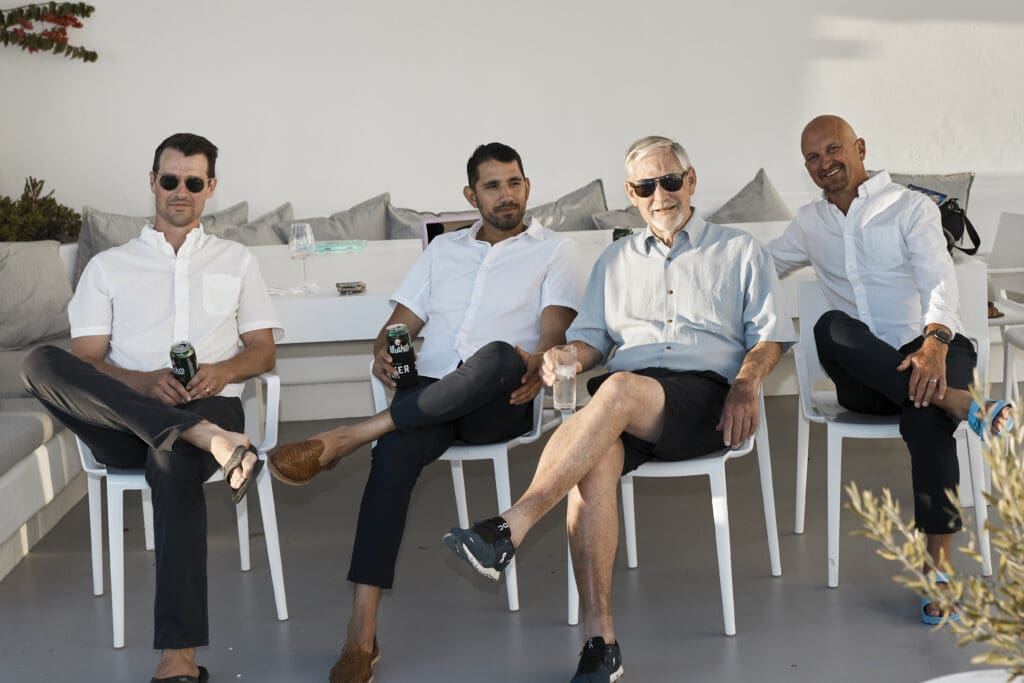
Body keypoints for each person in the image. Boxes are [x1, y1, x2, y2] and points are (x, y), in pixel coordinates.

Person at [444, 135, 797, 683]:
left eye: (670, 181)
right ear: (632, 194)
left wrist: (748, 382)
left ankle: (509, 527)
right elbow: (590, 344)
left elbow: (771, 338)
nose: (661, 195)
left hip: (706, 396)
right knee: (596, 462)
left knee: (613, 391)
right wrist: (566, 354)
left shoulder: (739, 250)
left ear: (691, 181)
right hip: (630, 400)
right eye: (646, 186)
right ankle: (600, 642)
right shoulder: (614, 260)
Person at [268, 142, 582, 683]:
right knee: (391, 459)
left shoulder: (555, 250)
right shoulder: (443, 252)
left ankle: (348, 436)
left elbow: (552, 337)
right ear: (470, 195)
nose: (506, 195)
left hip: (502, 396)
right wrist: (383, 353)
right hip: (429, 393)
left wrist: (535, 364)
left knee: (501, 353)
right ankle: (360, 636)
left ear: (527, 186)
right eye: (492, 185)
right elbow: (398, 326)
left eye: (514, 182)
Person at [20, 133, 280, 682]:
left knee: (170, 461)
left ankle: (177, 659)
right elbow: (87, 360)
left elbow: (262, 351)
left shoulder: (237, 261)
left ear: (210, 187)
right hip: (124, 416)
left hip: (215, 407)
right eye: (169, 180)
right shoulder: (109, 267)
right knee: (40, 362)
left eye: (192, 182)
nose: (179, 192)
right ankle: (198, 436)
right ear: (152, 183)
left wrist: (225, 369)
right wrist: (141, 382)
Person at [765, 114, 1013, 624]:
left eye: (833, 149)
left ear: (859, 147)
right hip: (864, 374)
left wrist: (935, 342)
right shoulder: (809, 223)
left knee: (925, 417)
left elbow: (939, 282)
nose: (824, 163)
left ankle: (937, 570)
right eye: (812, 158)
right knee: (831, 324)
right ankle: (964, 405)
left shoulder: (910, 207)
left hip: (933, 346)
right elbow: (760, 263)